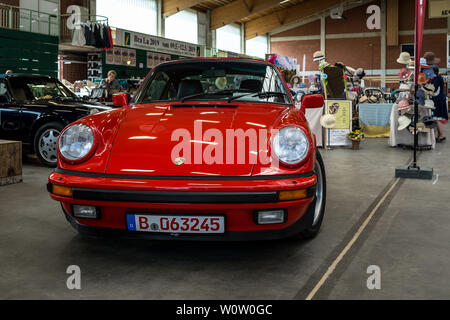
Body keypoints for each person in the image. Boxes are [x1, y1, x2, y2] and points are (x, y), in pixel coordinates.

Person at [431, 65, 447, 143]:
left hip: (438, 100)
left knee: (437, 118)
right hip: (440, 99)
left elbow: (434, 89)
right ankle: (440, 135)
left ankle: (441, 135)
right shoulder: (438, 77)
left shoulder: (436, 78)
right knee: (437, 118)